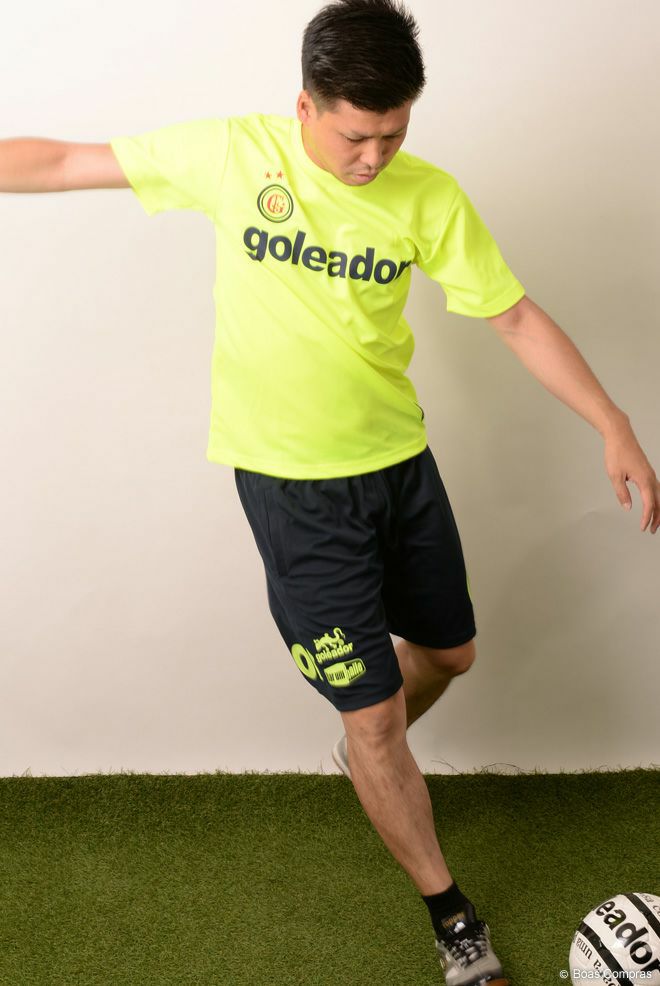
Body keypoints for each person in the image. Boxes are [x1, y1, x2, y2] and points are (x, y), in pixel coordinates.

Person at [2, 0, 658, 983]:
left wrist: (612, 422)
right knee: (378, 714)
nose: (373, 158)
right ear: (304, 105)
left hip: (398, 465)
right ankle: (452, 919)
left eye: (394, 134)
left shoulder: (428, 196)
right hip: (293, 490)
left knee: (452, 653)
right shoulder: (235, 155)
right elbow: (63, 161)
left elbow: (515, 317)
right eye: (355, 137)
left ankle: (367, 753)